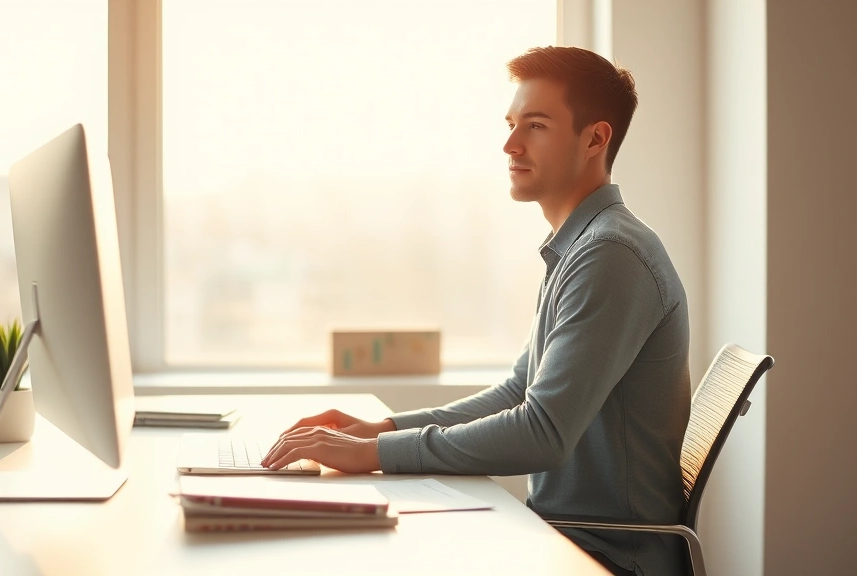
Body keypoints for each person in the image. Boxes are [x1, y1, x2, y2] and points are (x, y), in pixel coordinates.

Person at [262, 46, 690, 576]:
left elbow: (543, 432)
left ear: (595, 139)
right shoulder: (581, 246)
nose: (510, 145)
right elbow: (518, 393)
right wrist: (378, 430)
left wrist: (375, 453)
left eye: (535, 126)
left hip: (607, 558)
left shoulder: (610, 255)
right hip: (565, 539)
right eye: (512, 124)